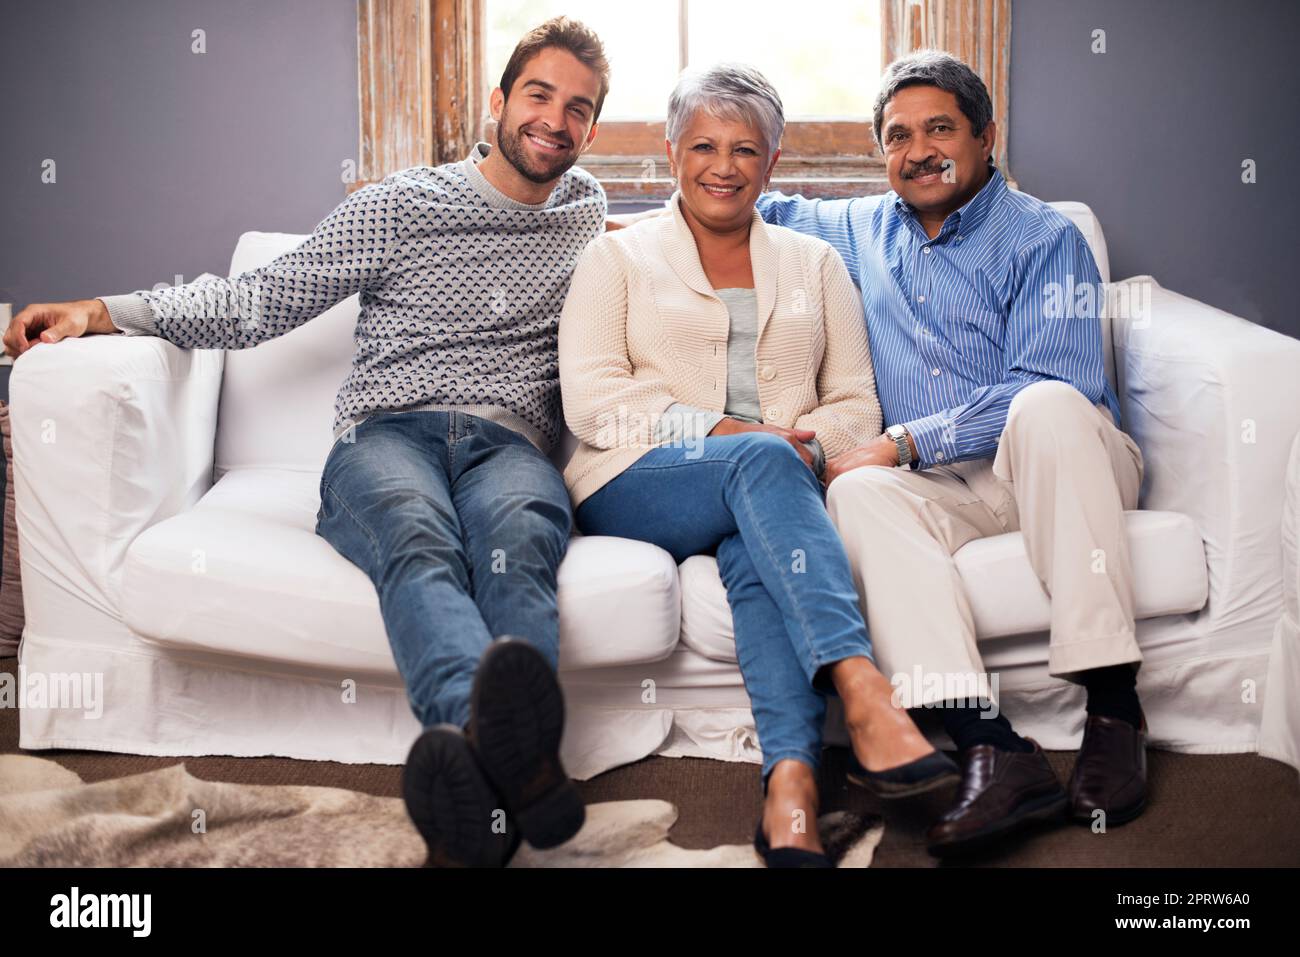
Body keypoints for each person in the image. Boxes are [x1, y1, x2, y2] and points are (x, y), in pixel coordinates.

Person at [4, 17, 612, 869]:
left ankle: (482, 776)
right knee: (416, 540)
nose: (555, 118)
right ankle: (515, 757)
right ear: (499, 100)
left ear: (592, 131)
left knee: (520, 539)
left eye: (579, 108)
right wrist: (106, 311)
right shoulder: (403, 205)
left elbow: (689, 259)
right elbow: (258, 301)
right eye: (539, 95)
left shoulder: (589, 218)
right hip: (387, 437)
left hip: (508, 445)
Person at [560, 63, 959, 868]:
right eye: (703, 144)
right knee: (757, 463)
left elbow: (854, 404)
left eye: (746, 148)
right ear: (671, 153)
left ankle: (793, 787)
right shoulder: (619, 260)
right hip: (639, 478)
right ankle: (864, 691)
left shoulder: (814, 264)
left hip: (773, 485)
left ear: (773, 163)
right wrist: (734, 429)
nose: (724, 164)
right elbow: (594, 401)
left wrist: (787, 442)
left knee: (755, 554)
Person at [755, 50, 1147, 856]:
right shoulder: (857, 228)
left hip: (1062, 464)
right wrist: (601, 224)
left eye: (940, 128)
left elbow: (1049, 384)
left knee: (1041, 405)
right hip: (950, 489)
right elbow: (735, 204)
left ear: (986, 136)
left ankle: (1113, 708)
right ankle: (991, 745)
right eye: (897, 136)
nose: (918, 149)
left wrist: (901, 440)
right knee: (854, 494)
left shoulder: (1046, 237)